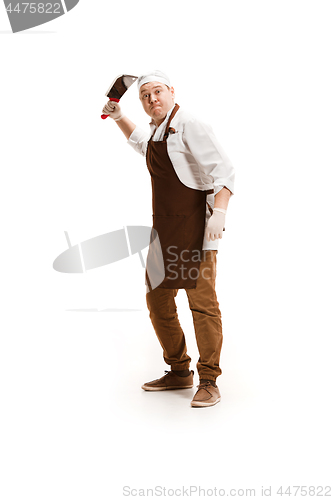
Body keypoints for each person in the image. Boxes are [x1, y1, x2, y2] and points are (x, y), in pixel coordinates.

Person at [102, 70, 235, 407]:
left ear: (172, 91)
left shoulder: (191, 124)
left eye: (157, 91)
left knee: (202, 305)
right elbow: (143, 146)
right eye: (145, 95)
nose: (152, 99)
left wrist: (219, 213)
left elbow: (225, 171)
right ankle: (179, 371)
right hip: (165, 231)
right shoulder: (157, 128)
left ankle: (208, 380)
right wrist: (119, 116)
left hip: (197, 230)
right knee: (158, 302)